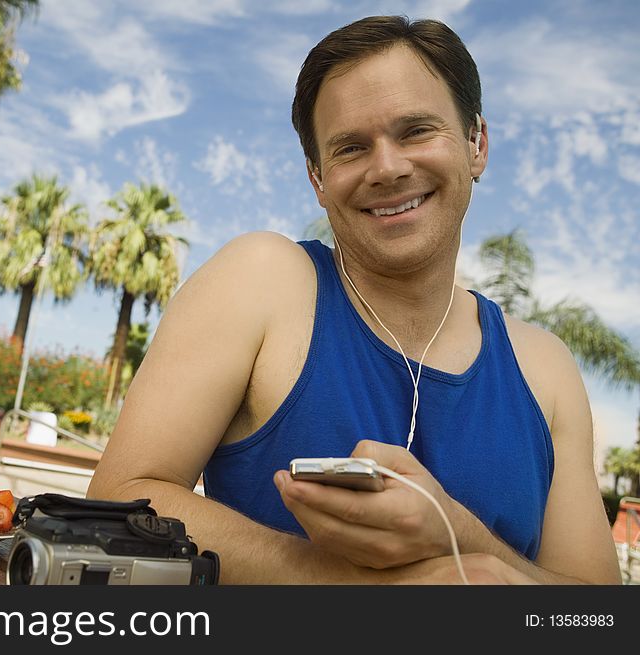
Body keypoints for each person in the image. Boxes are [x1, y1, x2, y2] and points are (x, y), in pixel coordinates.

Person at [87, 16, 621, 585]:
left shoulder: (546, 368)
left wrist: (459, 538)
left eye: (416, 131)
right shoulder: (263, 280)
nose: (387, 167)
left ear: (476, 144)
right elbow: (121, 500)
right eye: (350, 148)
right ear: (318, 179)